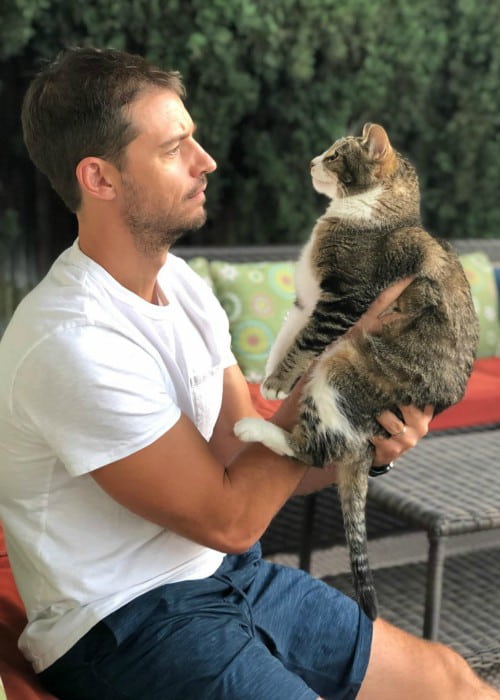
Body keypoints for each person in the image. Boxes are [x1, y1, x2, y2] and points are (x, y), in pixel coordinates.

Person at [0, 46, 497, 700]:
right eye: (175, 147)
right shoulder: (71, 341)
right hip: (127, 622)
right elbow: (232, 515)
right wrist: (341, 362)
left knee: (451, 684)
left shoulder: (180, 285)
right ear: (100, 178)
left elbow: (241, 456)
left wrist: (364, 445)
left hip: (229, 576)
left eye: (195, 139)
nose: (205, 161)